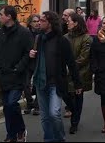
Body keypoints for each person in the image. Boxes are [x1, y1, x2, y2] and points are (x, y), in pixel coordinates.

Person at [29, 11, 82, 142]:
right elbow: (34, 62)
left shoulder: (61, 40)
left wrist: (78, 83)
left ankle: (59, 138)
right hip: (41, 83)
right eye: (39, 20)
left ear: (50, 23)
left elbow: (71, 62)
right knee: (45, 116)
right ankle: (48, 139)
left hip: (55, 83)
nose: (39, 23)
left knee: (54, 113)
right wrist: (31, 55)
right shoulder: (38, 39)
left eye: (42, 20)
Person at [0, 6, 33, 142]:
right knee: (7, 107)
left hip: (17, 75)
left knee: (11, 103)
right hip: (3, 75)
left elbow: (29, 53)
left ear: (9, 16)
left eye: (1, 15)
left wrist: (19, 68)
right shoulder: (1, 32)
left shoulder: (24, 32)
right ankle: (11, 135)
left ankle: (20, 130)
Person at [63, 13, 93, 134]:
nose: (66, 22)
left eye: (69, 20)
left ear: (75, 23)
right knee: (67, 96)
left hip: (80, 74)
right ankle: (73, 112)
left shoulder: (87, 38)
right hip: (65, 73)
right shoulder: (64, 37)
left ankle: (74, 122)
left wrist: (70, 67)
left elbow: (84, 57)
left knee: (77, 98)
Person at [22, 14, 40, 115]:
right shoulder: (25, 33)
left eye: (38, 21)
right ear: (30, 23)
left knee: (37, 84)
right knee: (25, 84)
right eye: (34, 21)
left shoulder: (42, 34)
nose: (37, 23)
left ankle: (37, 105)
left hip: (38, 61)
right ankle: (29, 103)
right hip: (28, 61)